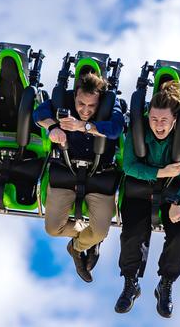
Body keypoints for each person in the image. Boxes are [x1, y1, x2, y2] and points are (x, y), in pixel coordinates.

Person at [115, 81, 180, 318]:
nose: (158, 125)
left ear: (175, 119)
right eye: (154, 119)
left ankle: (165, 283)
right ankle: (130, 283)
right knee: (133, 231)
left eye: (164, 120)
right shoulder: (140, 128)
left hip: (175, 192)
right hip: (142, 186)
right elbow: (129, 166)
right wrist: (160, 172)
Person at [33, 72, 124, 283]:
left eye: (92, 106)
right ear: (75, 96)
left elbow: (116, 129)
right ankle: (86, 239)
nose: (85, 110)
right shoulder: (62, 99)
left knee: (100, 232)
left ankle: (77, 247)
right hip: (67, 169)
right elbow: (39, 114)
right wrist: (53, 127)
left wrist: (85, 126)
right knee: (52, 229)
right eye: (81, 104)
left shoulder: (112, 105)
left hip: (100, 173)